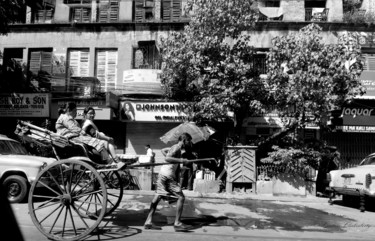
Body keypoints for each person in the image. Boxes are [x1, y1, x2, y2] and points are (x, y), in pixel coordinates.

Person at [144, 133, 194, 232]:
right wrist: (181, 160)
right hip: (167, 176)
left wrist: (179, 163)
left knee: (157, 197)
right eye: (189, 141)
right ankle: (177, 223)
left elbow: (165, 152)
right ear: (184, 140)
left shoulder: (175, 148)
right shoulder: (176, 148)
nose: (190, 143)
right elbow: (167, 158)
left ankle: (148, 222)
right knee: (181, 197)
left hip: (163, 174)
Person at [55, 102, 121, 166]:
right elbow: (76, 129)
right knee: (97, 142)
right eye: (75, 110)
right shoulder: (66, 117)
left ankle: (109, 160)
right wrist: (85, 134)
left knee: (97, 143)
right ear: (69, 110)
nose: (76, 112)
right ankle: (110, 161)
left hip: (75, 137)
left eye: (93, 113)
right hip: (72, 138)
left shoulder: (70, 119)